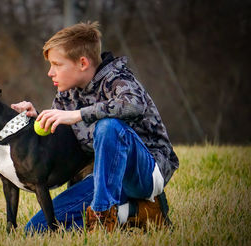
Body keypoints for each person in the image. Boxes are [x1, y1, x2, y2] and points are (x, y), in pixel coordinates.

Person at [11, 21, 179, 233]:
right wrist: (36, 120)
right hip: (102, 179)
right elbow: (58, 144)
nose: (50, 73)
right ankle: (140, 212)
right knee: (38, 229)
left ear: (82, 63)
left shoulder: (117, 78)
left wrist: (77, 115)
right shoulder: (66, 94)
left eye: (57, 64)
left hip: (145, 173)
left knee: (108, 127)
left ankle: (102, 214)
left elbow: (133, 104)